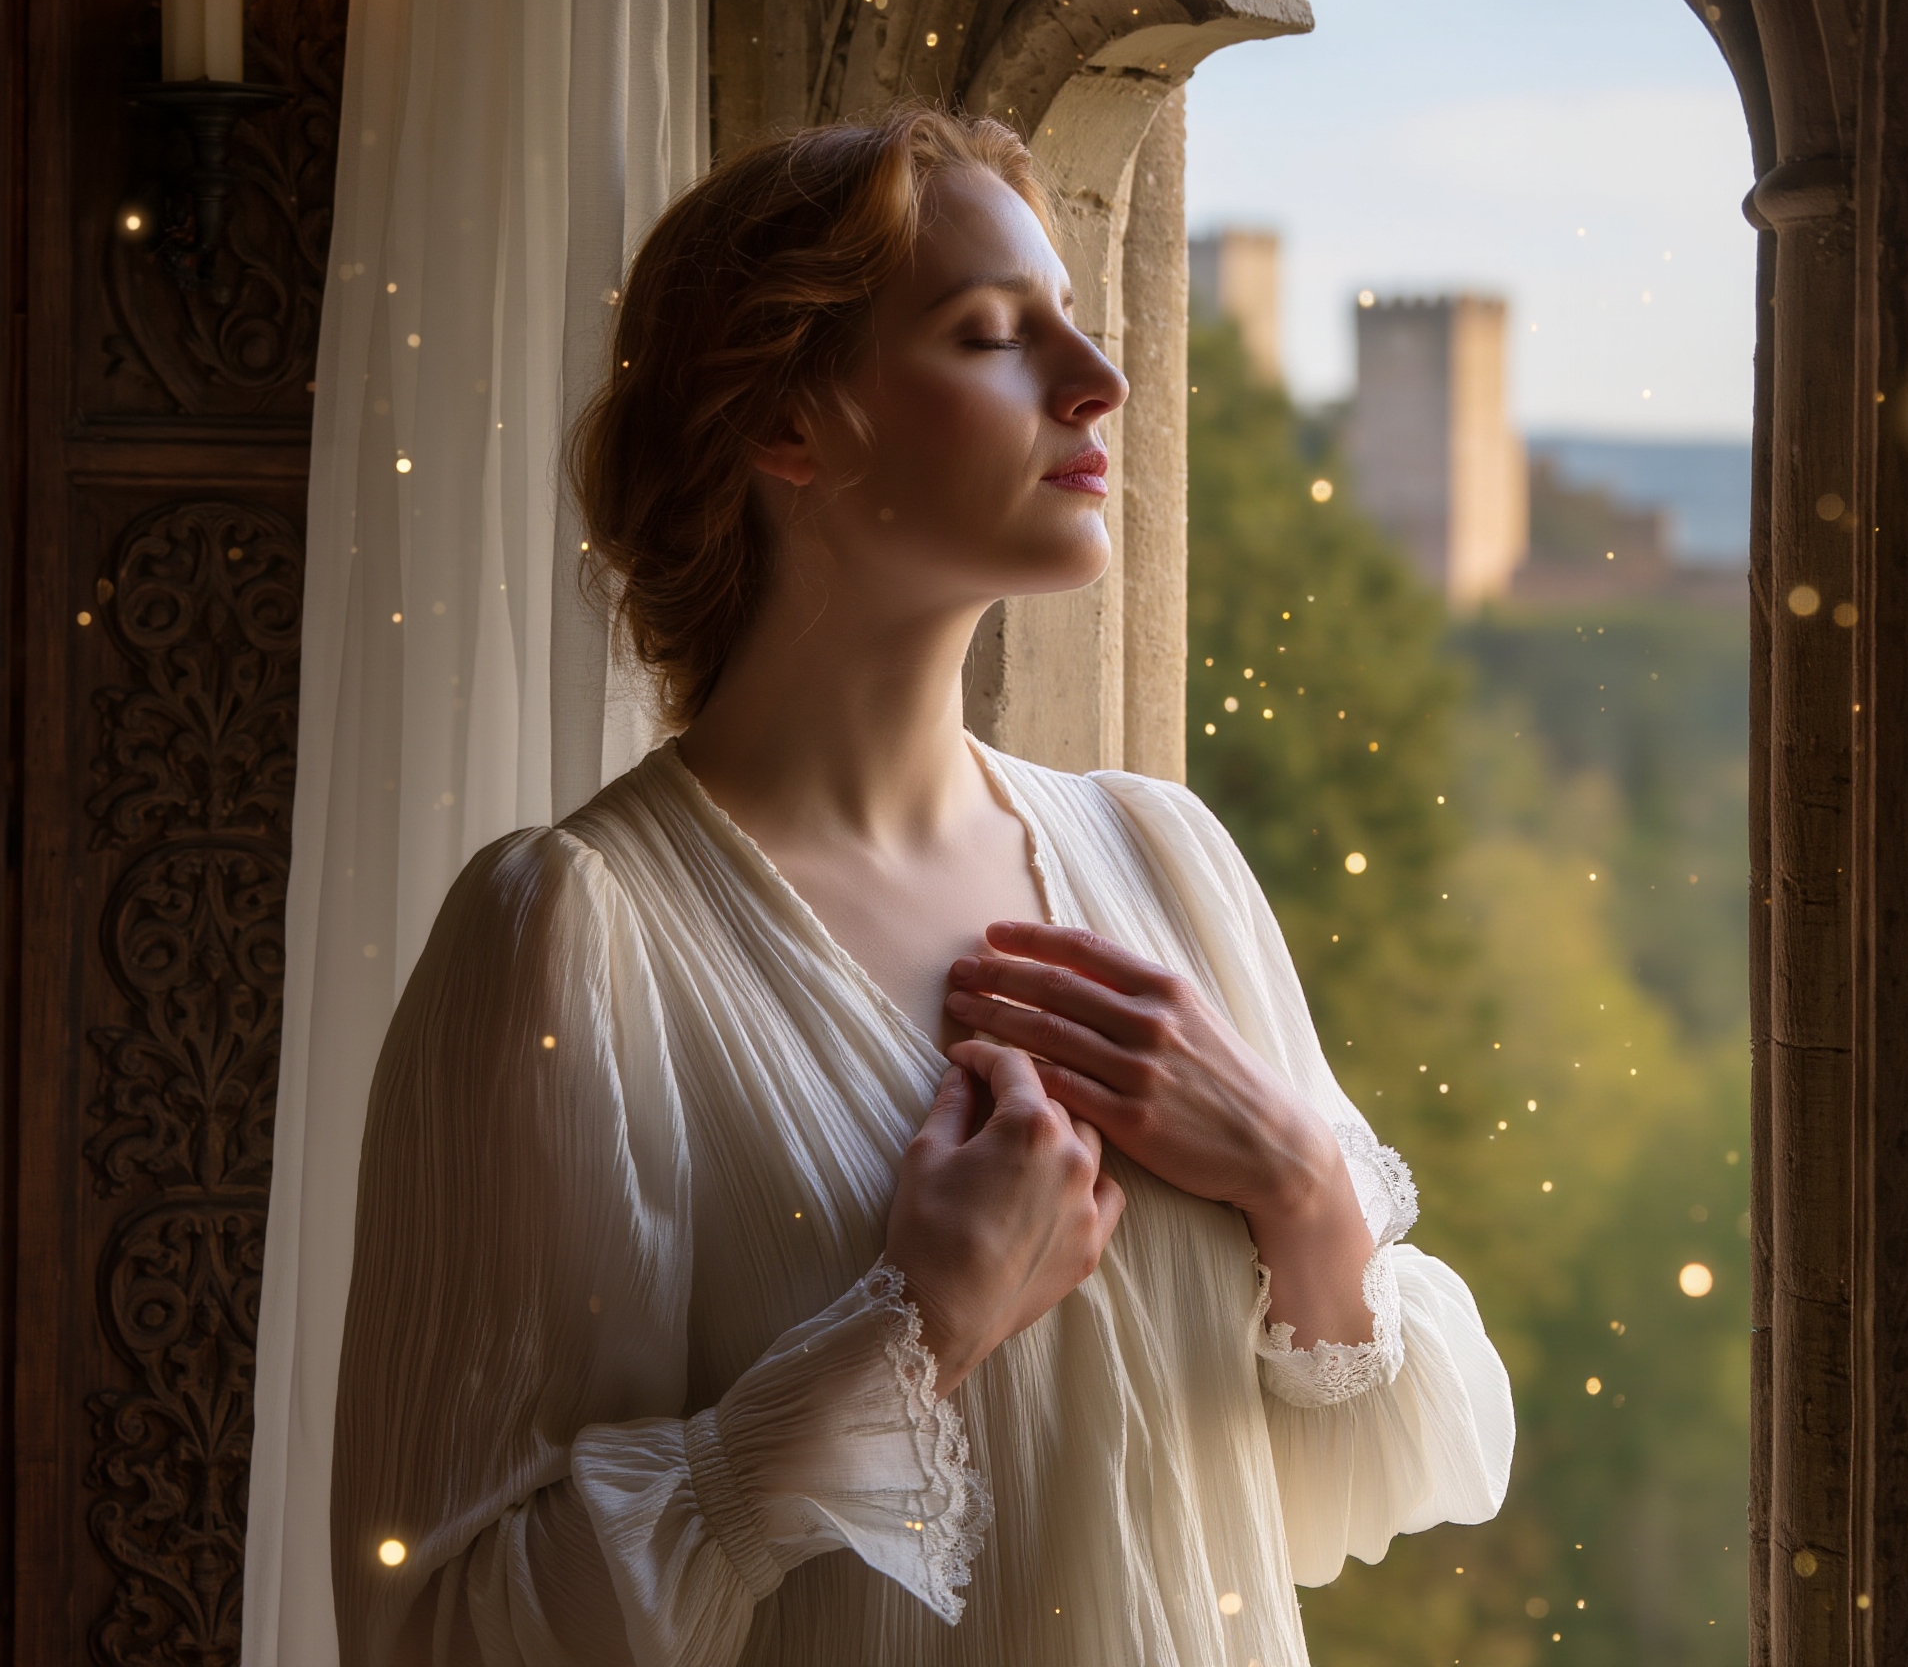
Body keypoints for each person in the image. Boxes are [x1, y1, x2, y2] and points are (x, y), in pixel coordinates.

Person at [331, 105, 1512, 1666]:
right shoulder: (573, 939)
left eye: (1073, 319)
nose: (1101, 381)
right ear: (790, 424)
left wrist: (1300, 1189)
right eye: (992, 336)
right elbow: (442, 1624)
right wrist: (913, 1328)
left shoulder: (1165, 860)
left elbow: (1348, 1483)